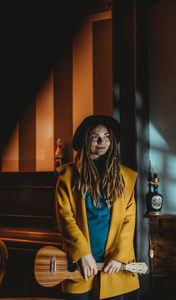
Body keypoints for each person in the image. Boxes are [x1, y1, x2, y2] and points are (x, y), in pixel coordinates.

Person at [55, 115, 140, 299]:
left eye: (107, 136)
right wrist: (83, 254)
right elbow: (65, 218)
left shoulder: (125, 177)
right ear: (86, 140)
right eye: (95, 136)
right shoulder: (68, 176)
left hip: (113, 261)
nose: (102, 141)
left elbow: (128, 219)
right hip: (78, 260)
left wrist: (120, 256)